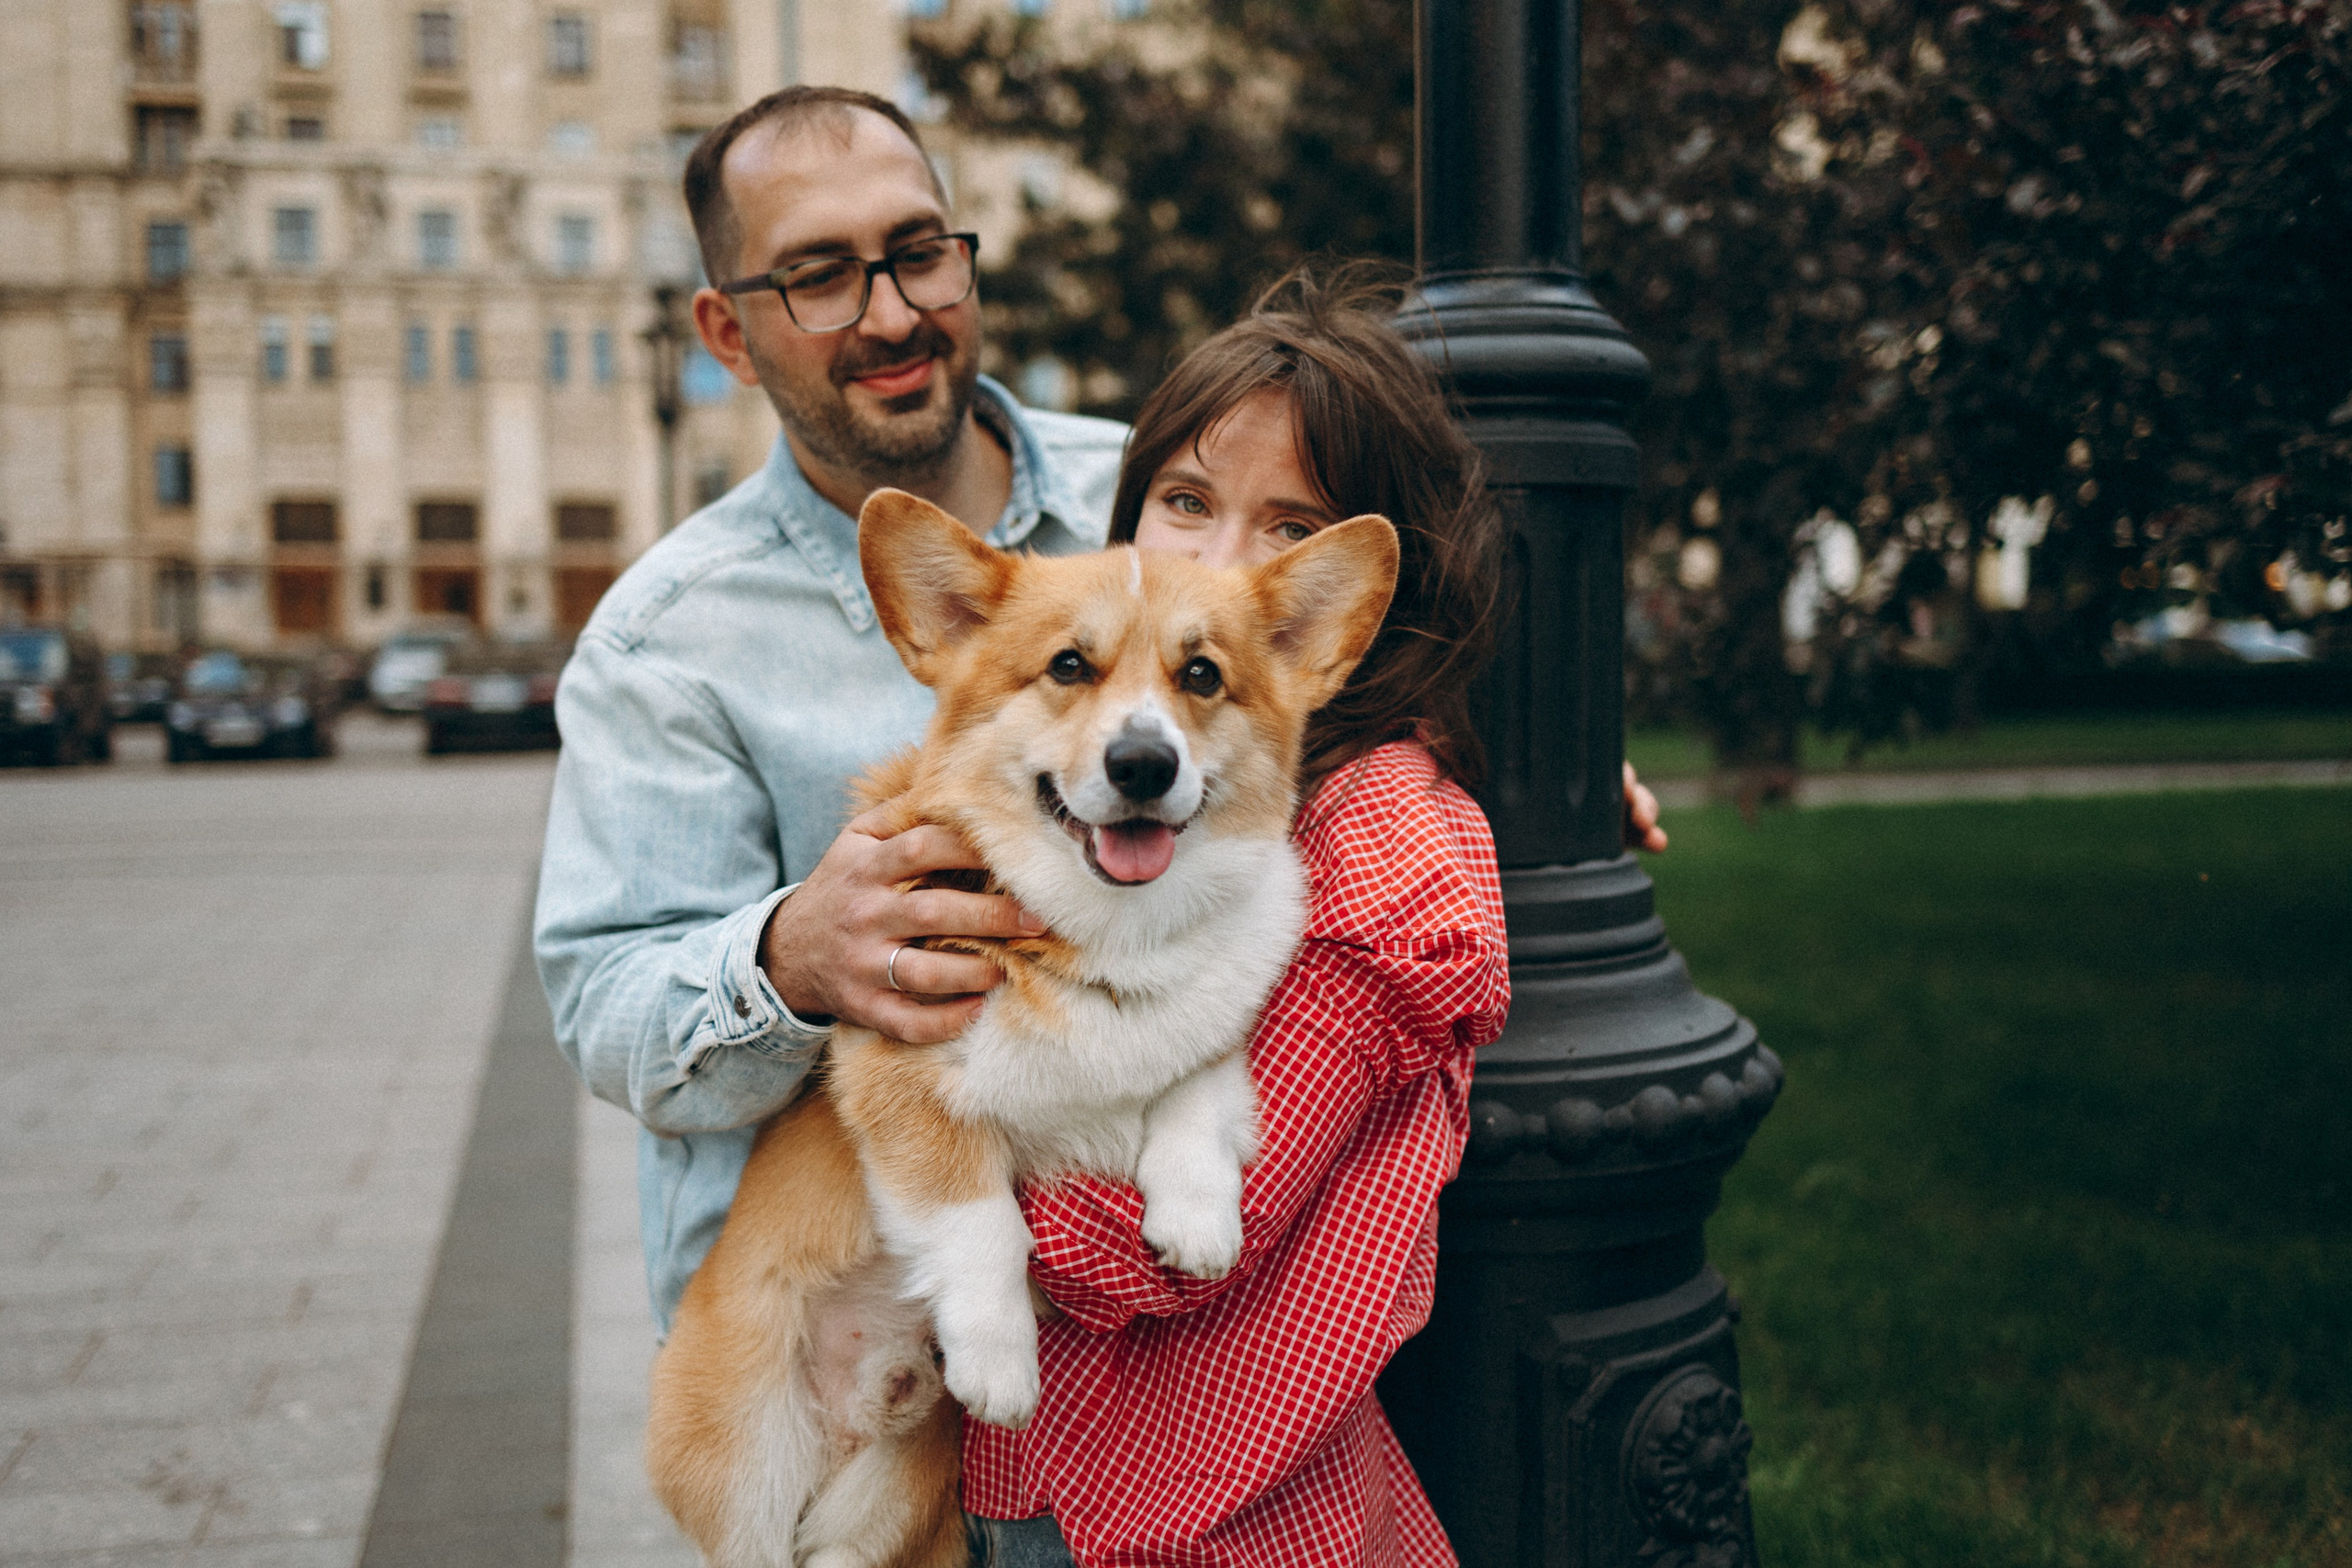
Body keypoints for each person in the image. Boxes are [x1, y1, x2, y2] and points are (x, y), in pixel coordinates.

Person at [535, 84, 1668, 1564]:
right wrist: (790, 957)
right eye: (820, 272)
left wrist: (1543, 791)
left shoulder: (1136, 485)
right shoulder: (662, 642)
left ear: (964, 260)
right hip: (829, 1325)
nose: (889, 308)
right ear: (728, 331)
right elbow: (600, 997)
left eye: (918, 249)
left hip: (1091, 1391)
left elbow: (1295, 681)